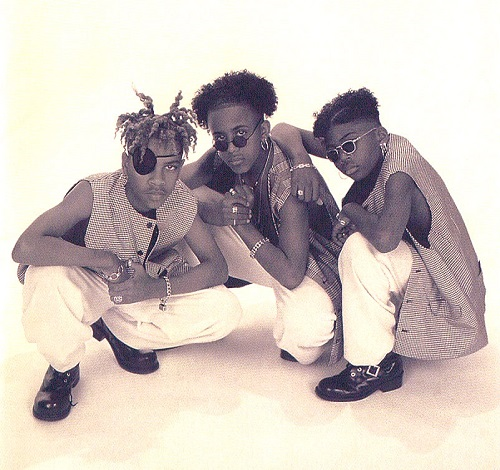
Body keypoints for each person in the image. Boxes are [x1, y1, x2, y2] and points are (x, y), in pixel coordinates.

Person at [12, 90, 242, 421]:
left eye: (171, 167)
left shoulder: (181, 201)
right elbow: (25, 246)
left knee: (225, 311)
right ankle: (62, 367)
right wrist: (104, 259)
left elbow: (216, 268)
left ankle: (123, 334)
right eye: (146, 164)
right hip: (88, 282)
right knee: (44, 276)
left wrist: (153, 288)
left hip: (138, 289)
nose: (158, 180)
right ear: (126, 162)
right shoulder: (94, 192)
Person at [272, 88, 487, 401]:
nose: (342, 159)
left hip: (447, 288)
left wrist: (353, 211)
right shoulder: (367, 150)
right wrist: (302, 163)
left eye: (349, 146)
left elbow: (385, 240)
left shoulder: (399, 170)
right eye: (333, 154)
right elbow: (283, 130)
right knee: (354, 246)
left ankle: (373, 365)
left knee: (360, 249)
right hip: (423, 269)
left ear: (380, 135)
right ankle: (366, 336)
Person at [182, 70, 343, 365]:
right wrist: (215, 212)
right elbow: (168, 186)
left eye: (241, 135)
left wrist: (241, 224)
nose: (231, 148)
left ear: (263, 130)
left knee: (304, 339)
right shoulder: (223, 157)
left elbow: (292, 274)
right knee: (182, 206)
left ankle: (317, 315)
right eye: (221, 139)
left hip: (311, 264)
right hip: (267, 250)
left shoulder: (287, 182)